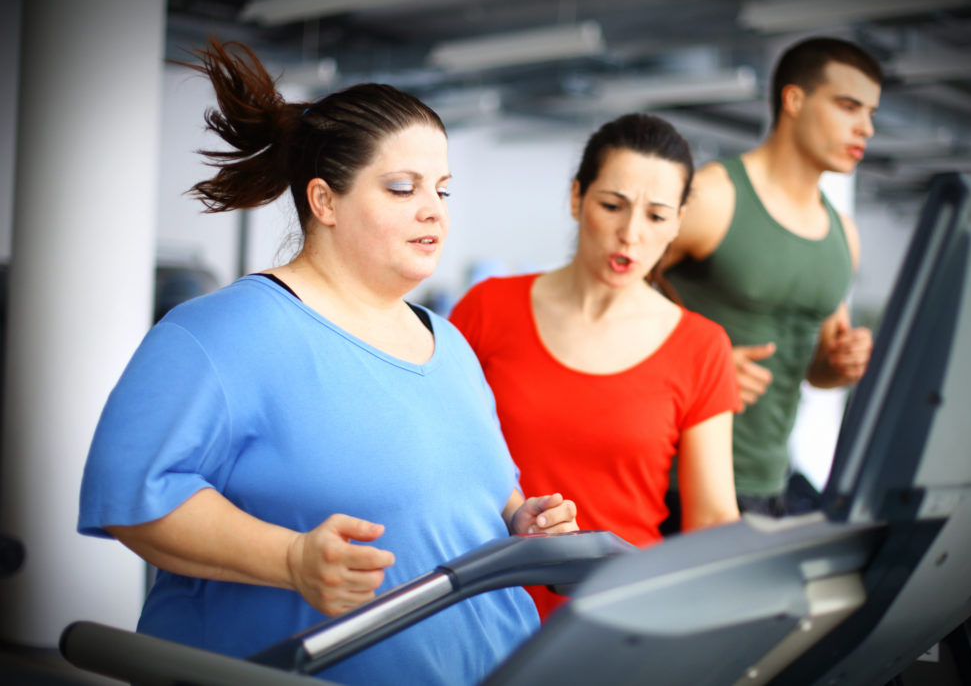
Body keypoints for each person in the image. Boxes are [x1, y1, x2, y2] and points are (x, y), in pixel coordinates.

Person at [77, 39, 577, 686]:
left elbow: (478, 489)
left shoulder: (447, 344)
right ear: (325, 202)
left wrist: (519, 522)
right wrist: (290, 559)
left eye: (442, 190)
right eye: (402, 188)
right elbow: (134, 497)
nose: (432, 210)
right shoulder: (223, 332)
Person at [450, 113, 742, 619]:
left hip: (622, 620)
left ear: (678, 221)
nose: (631, 234)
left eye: (656, 216)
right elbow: (445, 455)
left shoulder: (702, 346)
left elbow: (713, 518)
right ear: (576, 198)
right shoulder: (487, 308)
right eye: (612, 206)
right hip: (484, 605)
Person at [656, 37, 881, 517]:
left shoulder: (843, 235)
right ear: (794, 100)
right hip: (678, 482)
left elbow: (814, 369)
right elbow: (604, 300)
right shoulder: (714, 197)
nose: (866, 127)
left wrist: (839, 364)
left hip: (772, 479)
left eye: (871, 112)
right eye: (848, 106)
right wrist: (700, 367)